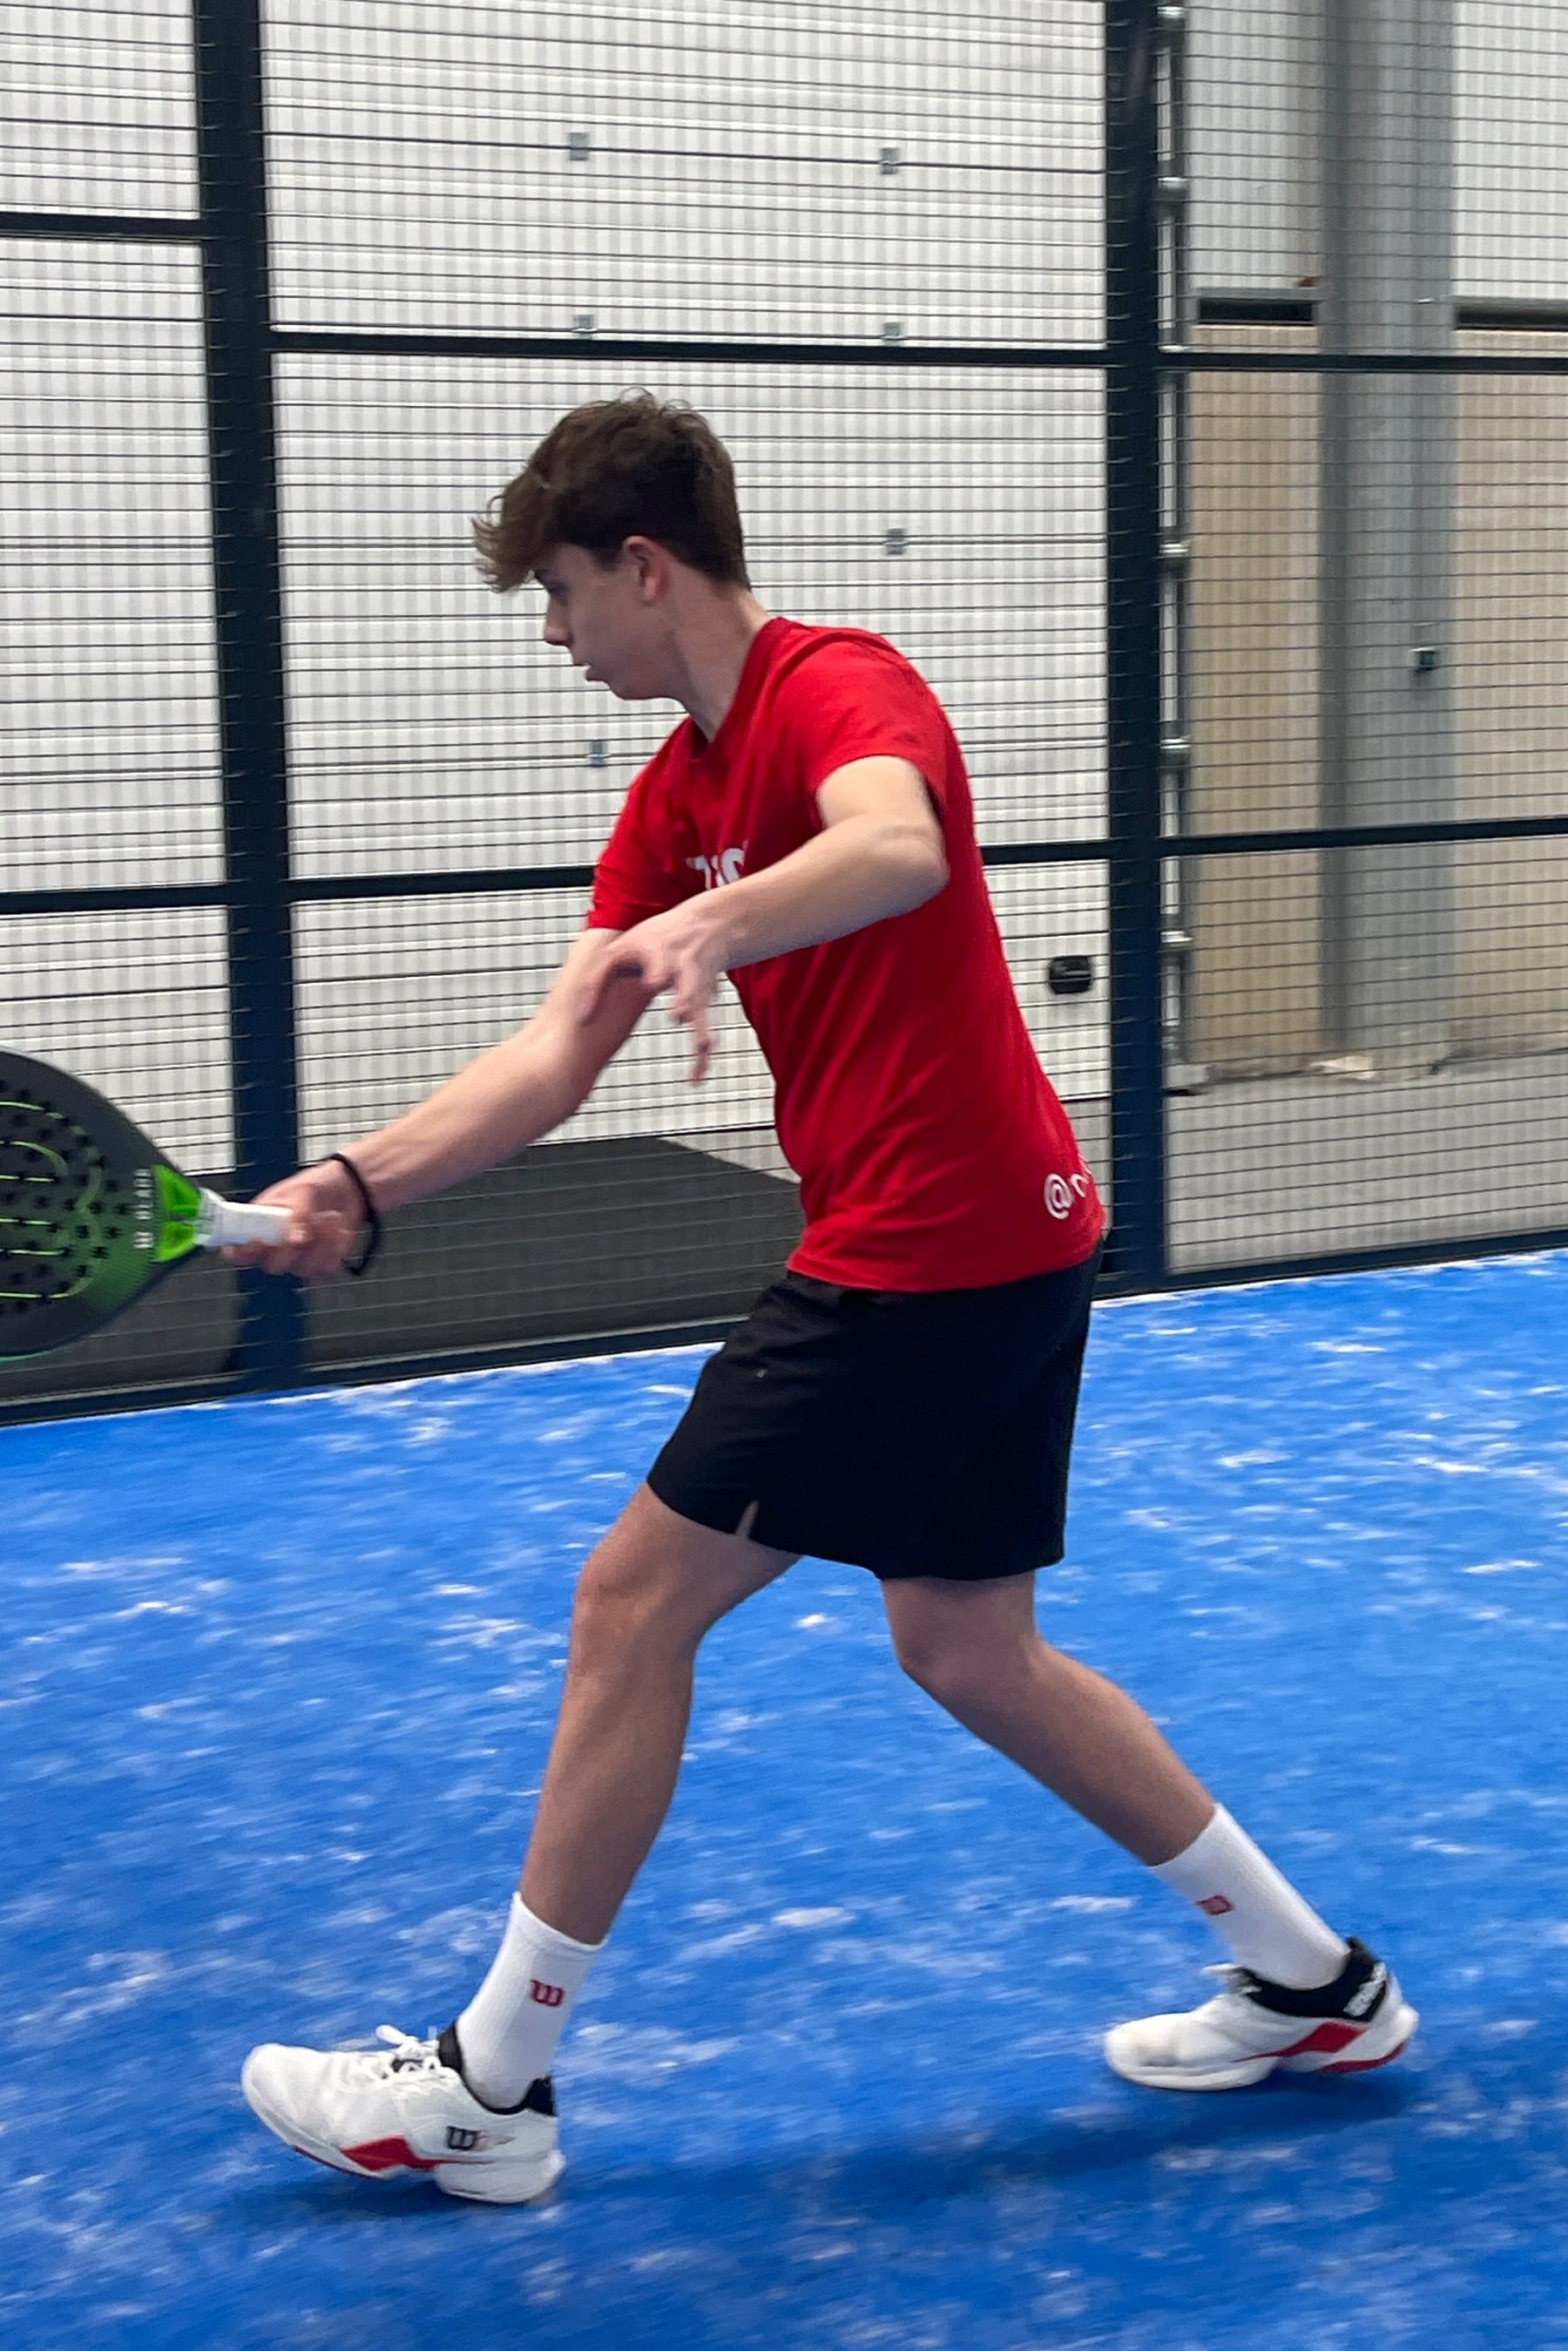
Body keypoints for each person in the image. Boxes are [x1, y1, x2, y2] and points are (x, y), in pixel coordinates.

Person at [238, 396, 1415, 2205]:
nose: (554, 635)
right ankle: (1315, 1986)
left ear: (645, 566)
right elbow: (557, 1058)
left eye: (561, 593)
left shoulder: (837, 687)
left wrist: (719, 923)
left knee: (631, 1602)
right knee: (969, 1646)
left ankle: (489, 2090)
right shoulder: (672, 796)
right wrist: (357, 1182)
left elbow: (897, 845)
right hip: (1000, 1240)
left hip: (926, 1258)